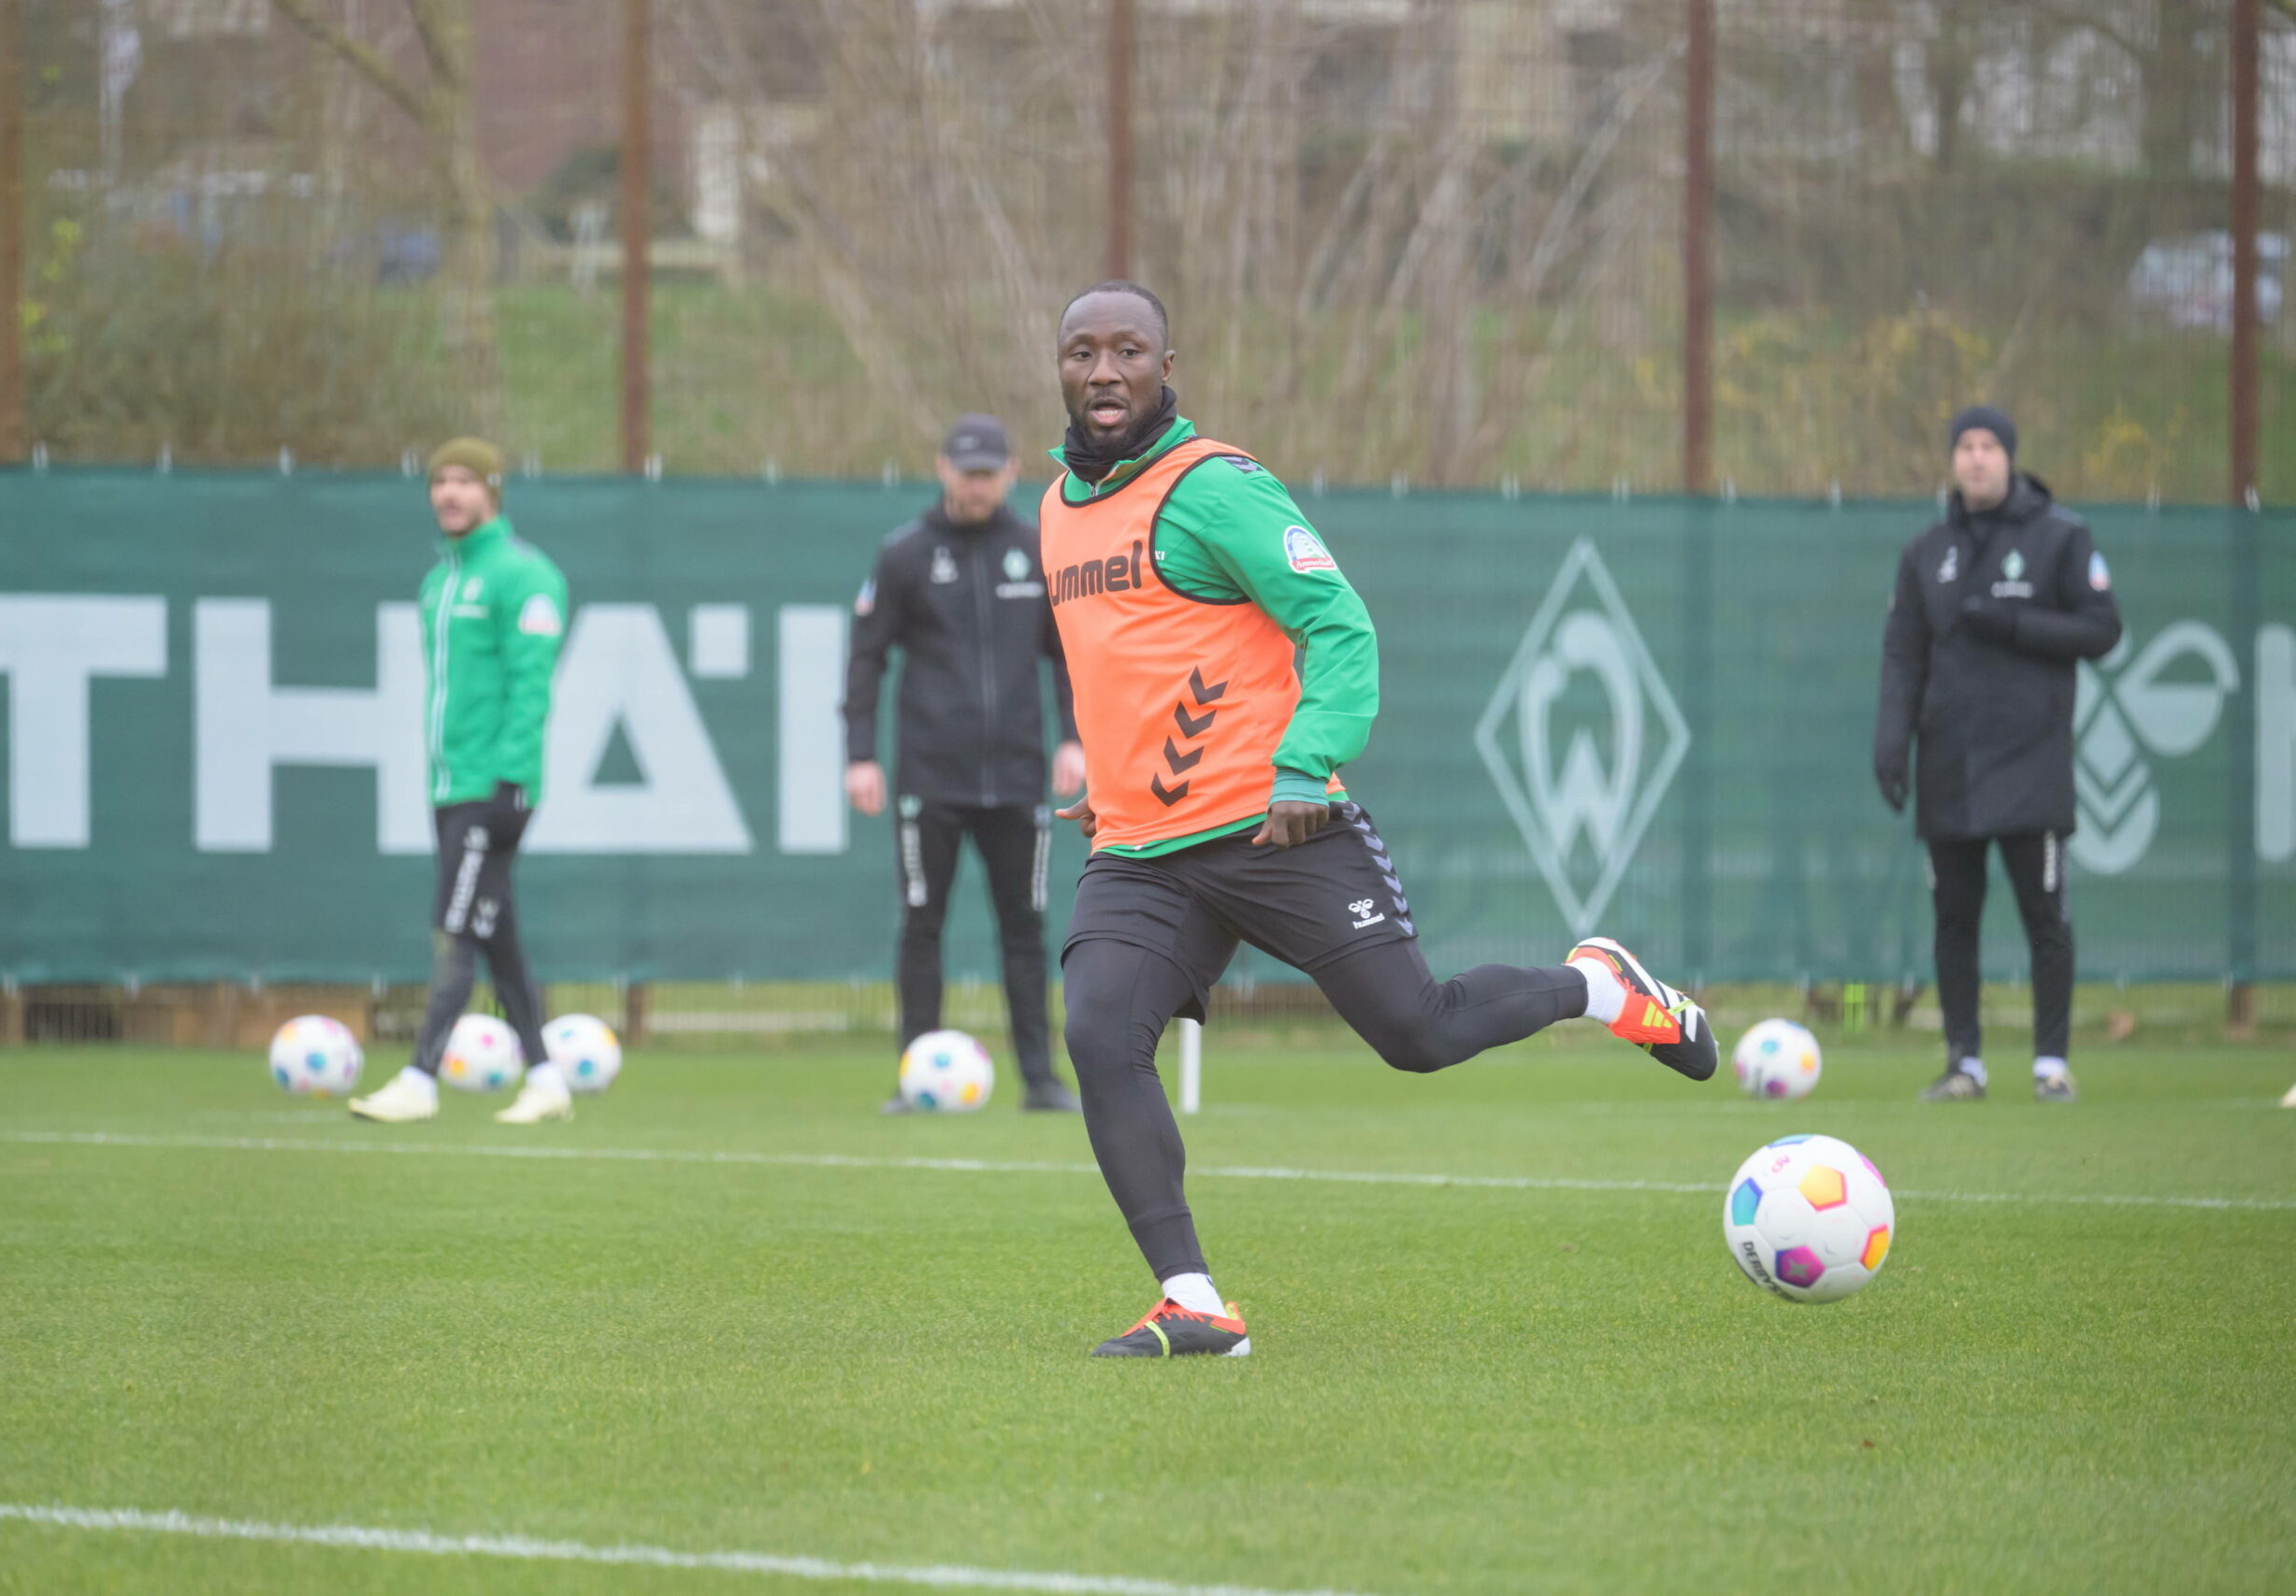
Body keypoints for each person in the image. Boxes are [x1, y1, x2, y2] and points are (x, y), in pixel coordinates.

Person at [1039, 282, 1717, 1359]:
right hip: (1138, 850)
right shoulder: (1056, 510)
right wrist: (1111, 779)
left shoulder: (1216, 488)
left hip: (1274, 825)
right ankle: (1194, 1300)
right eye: (1084, 352)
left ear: (1171, 367)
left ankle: (1597, 985)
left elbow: (1336, 622)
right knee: (1096, 1033)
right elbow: (1125, 656)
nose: (1105, 371)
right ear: (1061, 369)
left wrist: (1308, 763)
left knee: (1420, 1034)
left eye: (1129, 350)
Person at [1874, 406, 2121, 1105]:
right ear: (1953, 460)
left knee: (2046, 919)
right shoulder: (1927, 551)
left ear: (2009, 457)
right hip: (1948, 767)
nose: (1976, 458)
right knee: (1955, 920)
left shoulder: (2061, 538)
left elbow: (2103, 628)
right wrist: (1892, 743)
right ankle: (1965, 1065)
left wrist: (2012, 620)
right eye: (1965, 446)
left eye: (1988, 446)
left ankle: (2051, 1064)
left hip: (2032, 763)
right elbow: (1902, 656)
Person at [844, 415, 1086, 1114]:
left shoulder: (1036, 551)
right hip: (931, 779)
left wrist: (1074, 736)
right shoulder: (905, 555)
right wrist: (860, 753)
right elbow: (866, 657)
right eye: (967, 471)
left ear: (1010, 473)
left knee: (1026, 927)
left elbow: (1070, 654)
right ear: (944, 469)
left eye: (990, 473)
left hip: (1017, 776)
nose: (978, 485)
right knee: (922, 924)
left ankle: (1040, 1078)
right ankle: (914, 1075)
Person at [350, 438, 574, 1126]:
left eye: (464, 481)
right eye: (439, 481)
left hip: (494, 786)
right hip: (448, 785)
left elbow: (531, 687)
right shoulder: (438, 582)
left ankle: (420, 1077)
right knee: (493, 931)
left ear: (492, 491)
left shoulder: (524, 576)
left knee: (454, 925)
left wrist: (512, 777)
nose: (449, 493)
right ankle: (545, 1078)